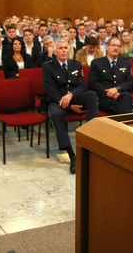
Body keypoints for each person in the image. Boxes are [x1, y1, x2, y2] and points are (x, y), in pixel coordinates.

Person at [42, 40, 98, 174]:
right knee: (55, 114)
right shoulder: (48, 67)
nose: (63, 50)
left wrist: (71, 96)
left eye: (65, 48)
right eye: (60, 48)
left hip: (73, 97)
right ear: (55, 51)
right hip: (57, 100)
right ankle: (72, 155)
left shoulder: (76, 64)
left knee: (91, 95)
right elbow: (49, 89)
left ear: (69, 50)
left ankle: (92, 139)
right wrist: (69, 105)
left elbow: (81, 86)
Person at [88, 37, 133, 114]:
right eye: (113, 45)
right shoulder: (97, 63)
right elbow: (93, 83)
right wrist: (108, 92)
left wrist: (117, 89)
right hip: (105, 97)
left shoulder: (126, 63)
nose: (116, 48)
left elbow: (130, 82)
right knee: (124, 106)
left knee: (126, 96)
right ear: (107, 47)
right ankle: (126, 121)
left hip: (121, 95)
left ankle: (123, 121)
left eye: (118, 46)